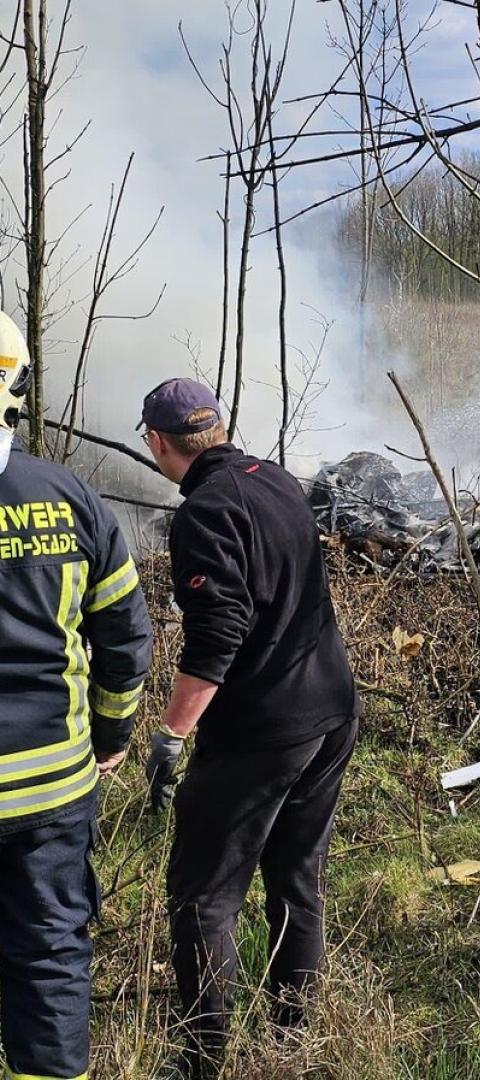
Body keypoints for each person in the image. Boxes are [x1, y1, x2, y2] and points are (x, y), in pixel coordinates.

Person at [140, 378, 359, 1078]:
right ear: (221, 425)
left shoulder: (203, 514)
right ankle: (292, 1045)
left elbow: (215, 638)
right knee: (297, 882)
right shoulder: (279, 480)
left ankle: (203, 1060)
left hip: (262, 732)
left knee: (204, 899)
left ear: (157, 442)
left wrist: (171, 736)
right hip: (330, 711)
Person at [0, 311, 153, 1080]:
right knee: (49, 956)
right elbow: (125, 638)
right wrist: (111, 736)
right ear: (17, 389)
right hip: (52, 789)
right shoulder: (70, 498)